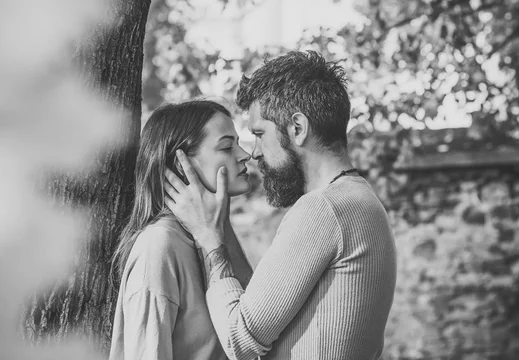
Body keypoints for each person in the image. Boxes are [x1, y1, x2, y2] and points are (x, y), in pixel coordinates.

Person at [164, 51, 397, 360]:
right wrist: (220, 223)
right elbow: (256, 307)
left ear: (297, 128)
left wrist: (209, 239)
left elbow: (240, 341)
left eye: (259, 134)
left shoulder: (323, 210)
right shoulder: (360, 201)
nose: (254, 153)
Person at [109, 100, 254, 360]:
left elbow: (249, 333)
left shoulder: (216, 235)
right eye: (227, 147)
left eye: (238, 143)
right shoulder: (159, 246)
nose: (245, 154)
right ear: (181, 164)